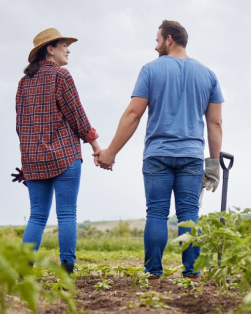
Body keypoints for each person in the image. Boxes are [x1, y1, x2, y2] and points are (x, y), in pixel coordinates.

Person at [95, 20, 224, 282]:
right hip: (191, 156)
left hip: (157, 155)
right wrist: (213, 163)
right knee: (189, 215)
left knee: (156, 212)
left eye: (156, 41)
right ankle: (193, 274)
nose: (155, 47)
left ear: (168, 40)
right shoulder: (208, 75)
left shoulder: (150, 70)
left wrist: (110, 151)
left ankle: (153, 274)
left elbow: (133, 113)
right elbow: (215, 122)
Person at [14, 27, 101, 274]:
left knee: (37, 216)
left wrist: (29, 161)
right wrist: (96, 146)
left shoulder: (23, 83)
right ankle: (66, 271)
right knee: (66, 214)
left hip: (34, 160)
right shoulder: (61, 76)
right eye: (64, 45)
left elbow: (20, 126)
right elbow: (78, 118)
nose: (68, 49)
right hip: (65, 155)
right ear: (50, 50)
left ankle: (23, 271)